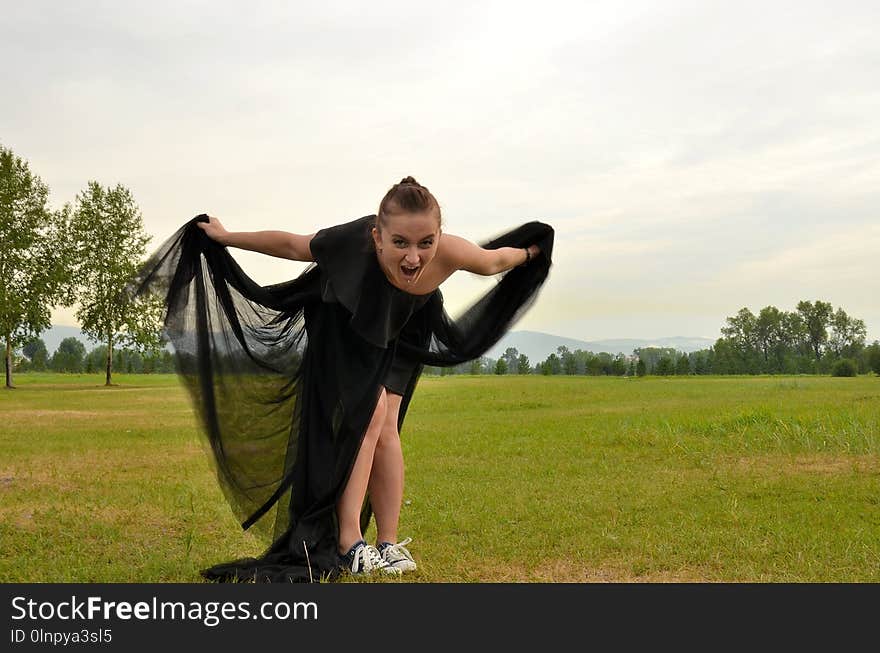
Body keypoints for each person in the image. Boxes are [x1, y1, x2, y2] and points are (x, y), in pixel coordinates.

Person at [130, 176, 554, 582]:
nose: (414, 257)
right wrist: (227, 236)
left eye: (427, 243)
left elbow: (496, 259)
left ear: (440, 237)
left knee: (387, 423)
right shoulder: (349, 241)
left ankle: (388, 544)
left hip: (406, 326)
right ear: (377, 236)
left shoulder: (453, 254)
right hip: (347, 323)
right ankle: (350, 541)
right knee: (367, 418)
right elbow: (294, 246)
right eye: (400, 243)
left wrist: (533, 253)